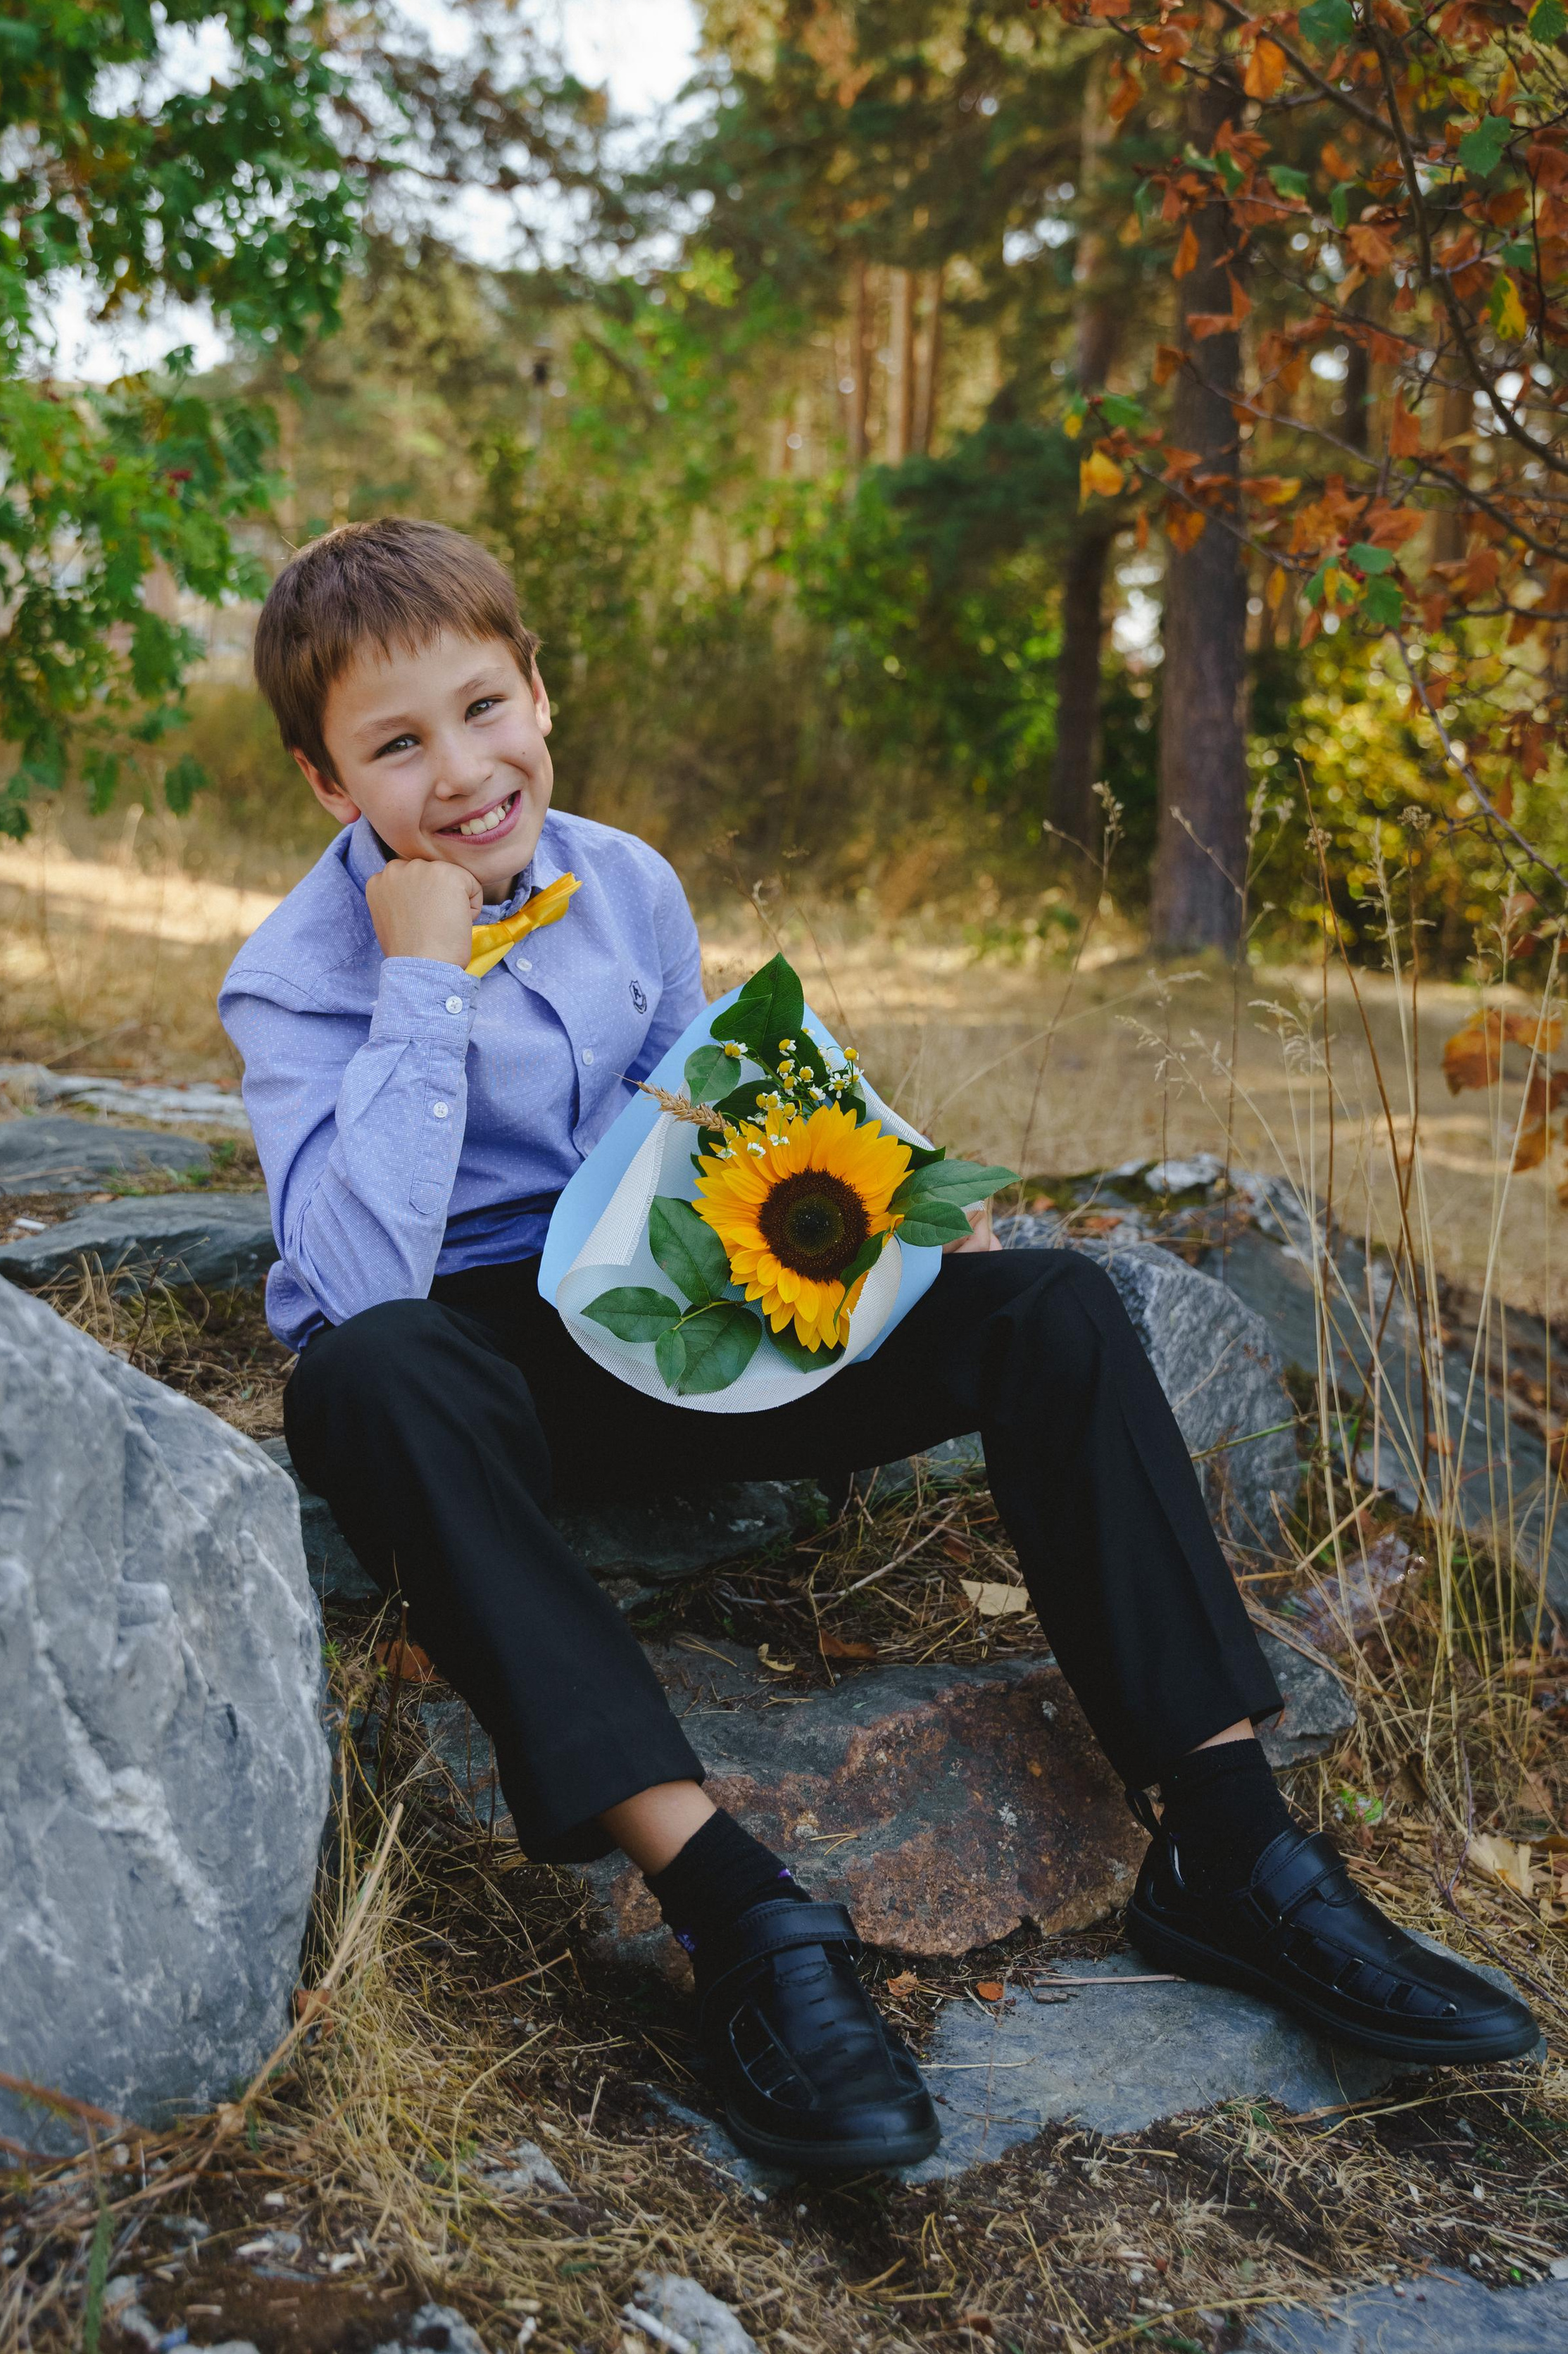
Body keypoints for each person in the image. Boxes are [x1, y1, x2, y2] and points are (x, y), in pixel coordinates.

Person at [220, 518, 1539, 2174]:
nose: (463, 771)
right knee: (366, 1378)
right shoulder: (293, 976)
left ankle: (1228, 1849)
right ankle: (738, 1915)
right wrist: (418, 983)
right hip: (473, 1367)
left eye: (485, 709)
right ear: (329, 785)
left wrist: (892, 1198)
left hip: (670, 1310)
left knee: (1052, 1305)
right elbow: (352, 1274)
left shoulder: (624, 884)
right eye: (395, 746)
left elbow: (710, 1119)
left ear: (541, 691)